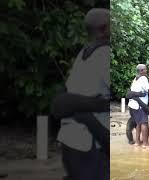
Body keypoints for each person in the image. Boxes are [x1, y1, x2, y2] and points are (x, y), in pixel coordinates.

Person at [56, 8, 110, 180]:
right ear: (103, 28)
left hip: (69, 137)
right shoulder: (104, 54)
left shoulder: (84, 53)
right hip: (90, 141)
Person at [127, 64, 149, 148]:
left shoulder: (135, 79)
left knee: (138, 123)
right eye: (145, 70)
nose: (146, 71)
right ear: (141, 71)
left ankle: (137, 142)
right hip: (140, 106)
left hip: (132, 105)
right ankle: (145, 144)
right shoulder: (143, 78)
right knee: (144, 123)